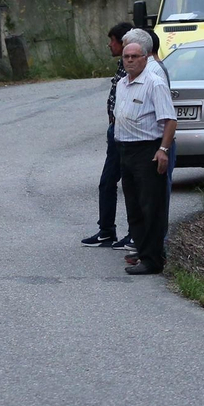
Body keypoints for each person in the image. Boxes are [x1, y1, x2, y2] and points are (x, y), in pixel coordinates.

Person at [114, 38, 175, 276]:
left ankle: (154, 260)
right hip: (126, 150)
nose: (129, 60)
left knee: (152, 206)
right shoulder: (121, 84)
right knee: (134, 206)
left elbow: (170, 120)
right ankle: (143, 251)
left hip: (147, 150)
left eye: (135, 57)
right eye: (126, 57)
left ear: (145, 58)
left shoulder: (154, 83)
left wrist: (163, 150)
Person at [82, 22, 132, 249]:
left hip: (129, 134)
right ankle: (106, 231)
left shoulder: (134, 67)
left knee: (133, 184)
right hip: (116, 131)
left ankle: (134, 233)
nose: (109, 45)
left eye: (113, 40)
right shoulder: (122, 66)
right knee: (107, 182)